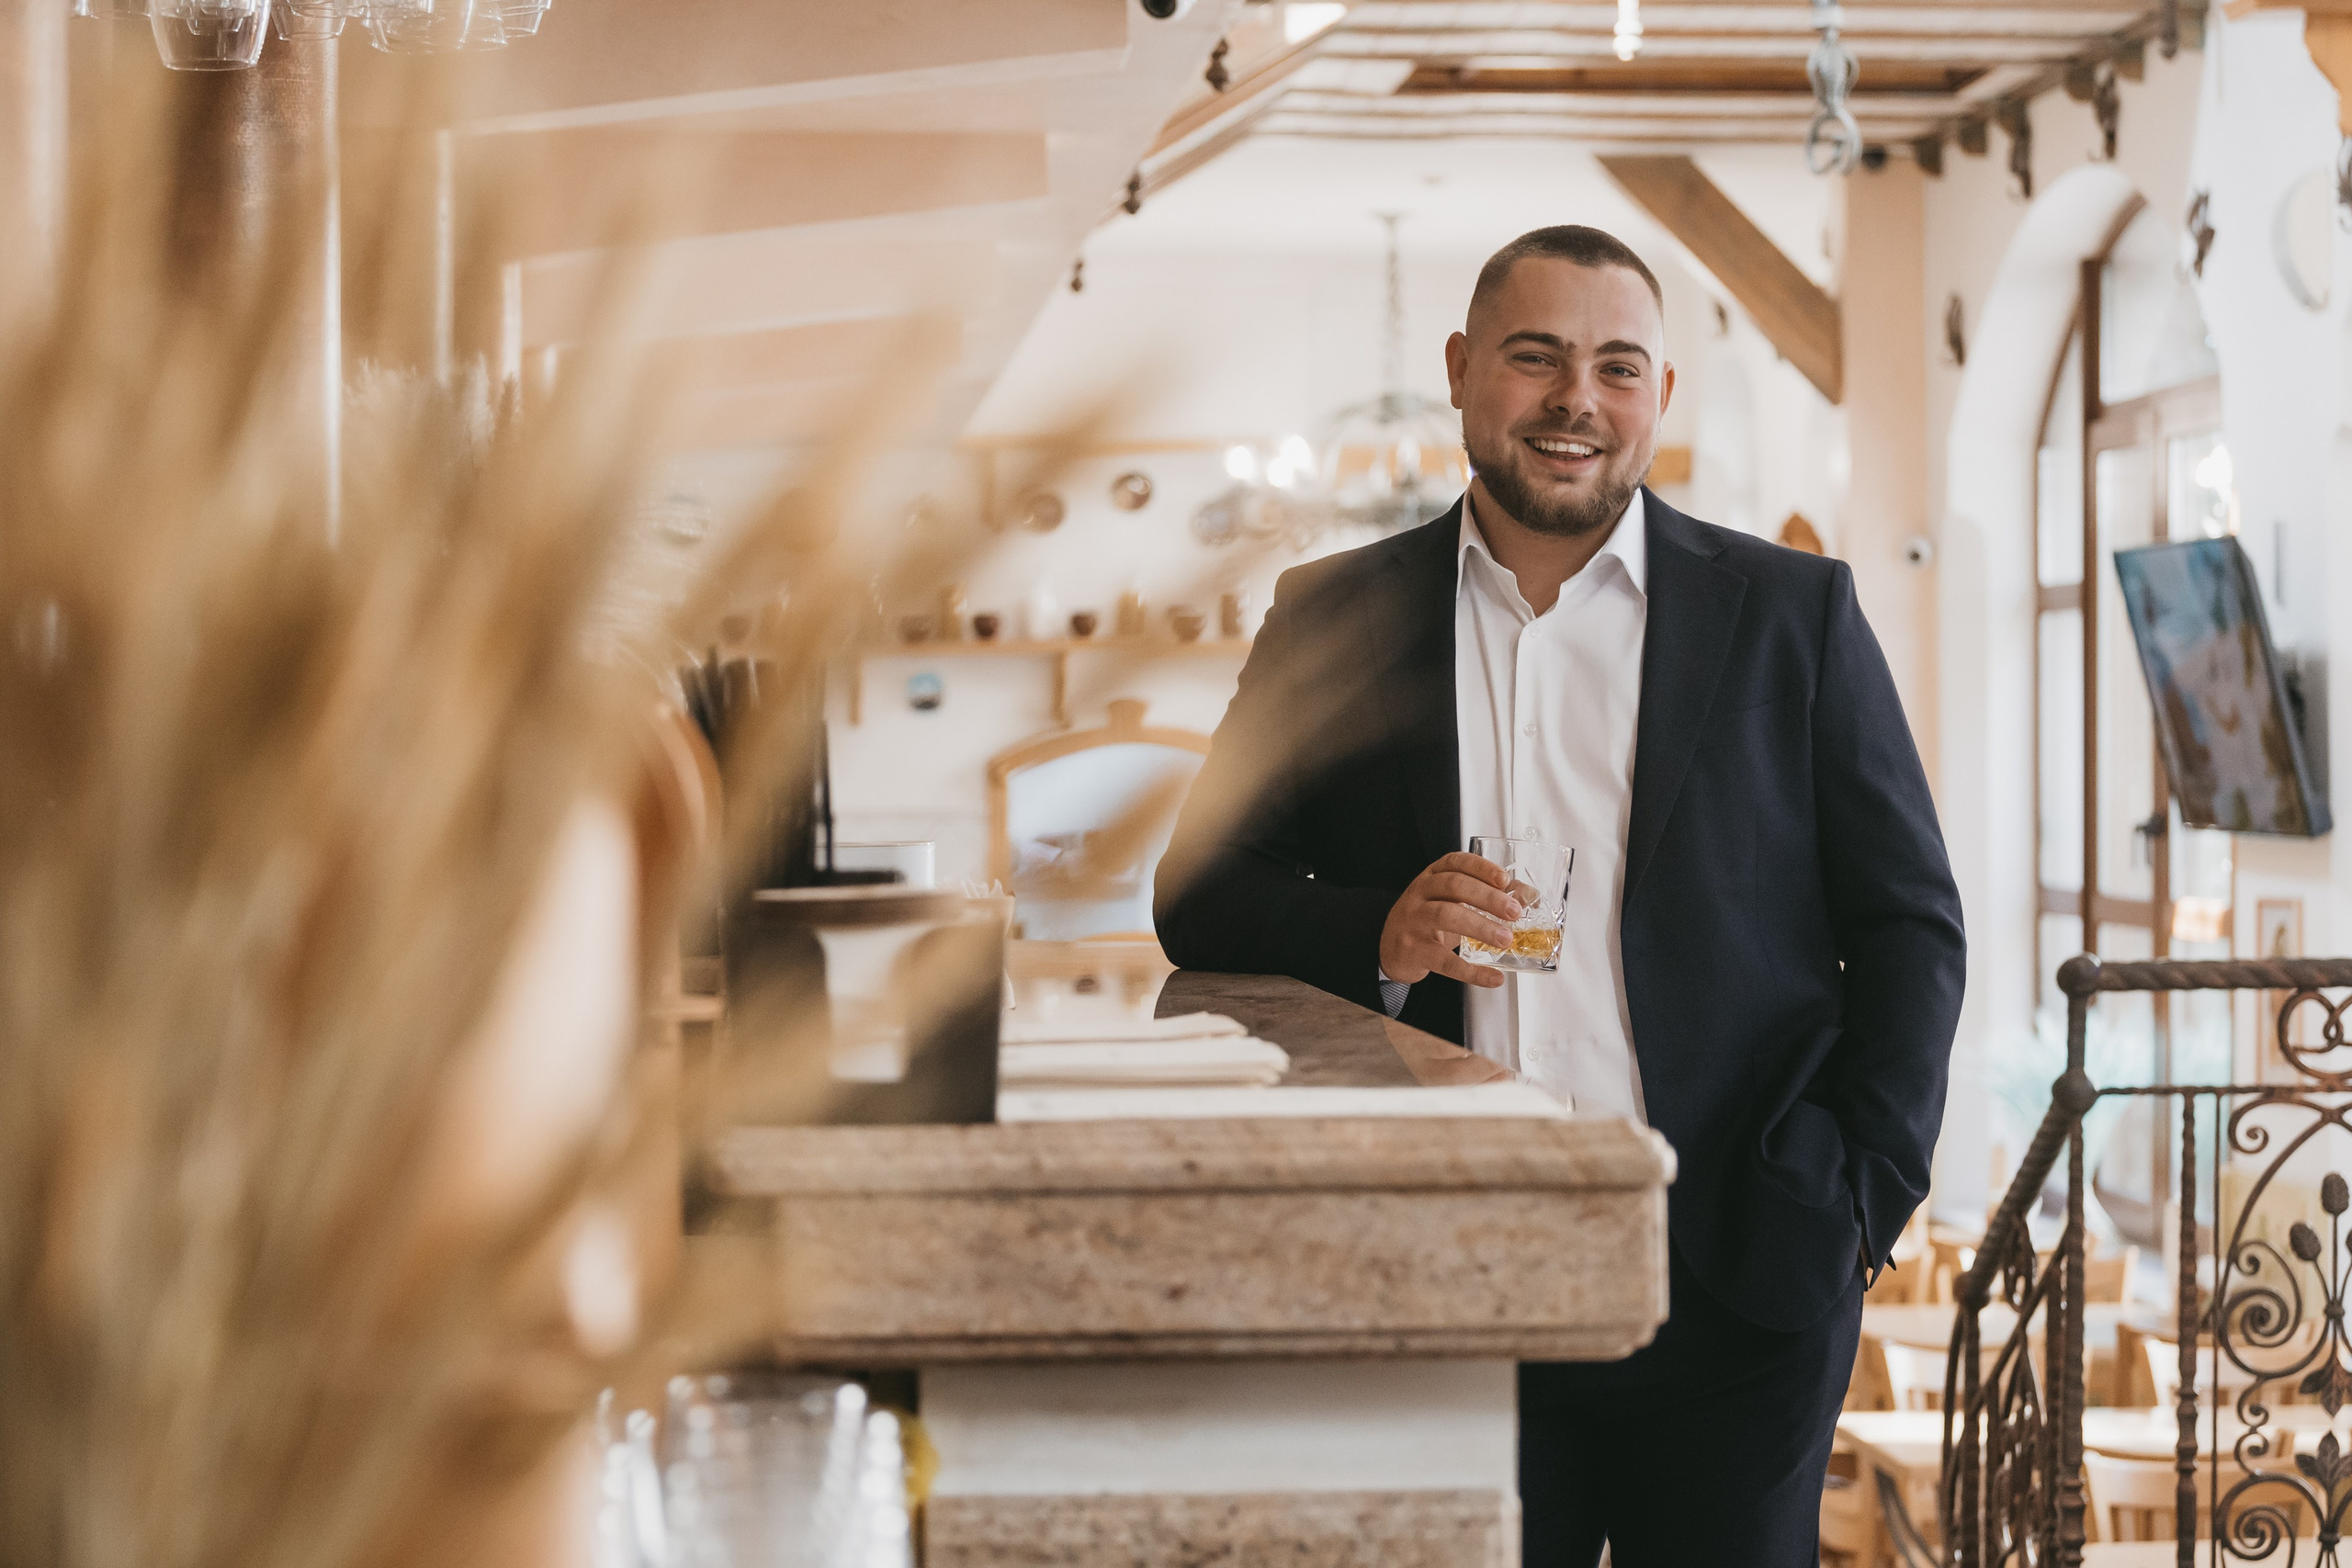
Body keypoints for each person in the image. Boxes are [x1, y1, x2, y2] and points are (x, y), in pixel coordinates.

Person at [1153, 225, 1964, 1566]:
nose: (1575, 400)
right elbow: (1199, 887)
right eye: (1536, 359)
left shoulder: (1792, 615)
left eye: (1616, 367)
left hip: (1736, 1274)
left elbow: (1909, 927)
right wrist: (1376, 929)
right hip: (1436, 1278)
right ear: (1467, 373)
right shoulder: (1330, 617)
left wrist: (1860, 1195)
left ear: (1658, 399)